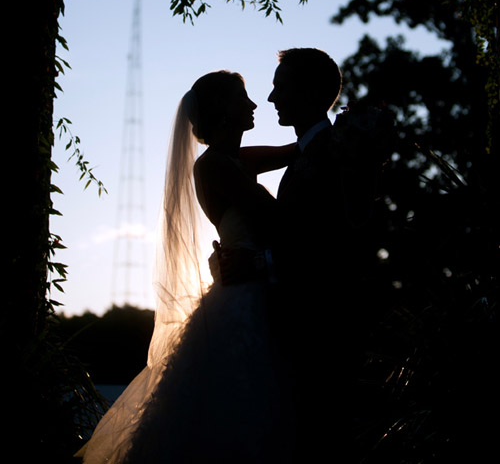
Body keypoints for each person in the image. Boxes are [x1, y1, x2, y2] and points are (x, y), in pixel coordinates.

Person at [78, 70, 297, 464]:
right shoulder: (215, 165)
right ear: (221, 111)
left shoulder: (237, 159)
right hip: (242, 297)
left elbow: (296, 151)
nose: (253, 105)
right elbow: (277, 221)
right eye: (241, 98)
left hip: (258, 283)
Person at [267, 47, 394, 459]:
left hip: (322, 333)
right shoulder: (311, 153)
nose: (271, 98)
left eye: (279, 87)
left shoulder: (332, 156)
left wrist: (258, 261)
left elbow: (331, 245)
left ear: (310, 91)